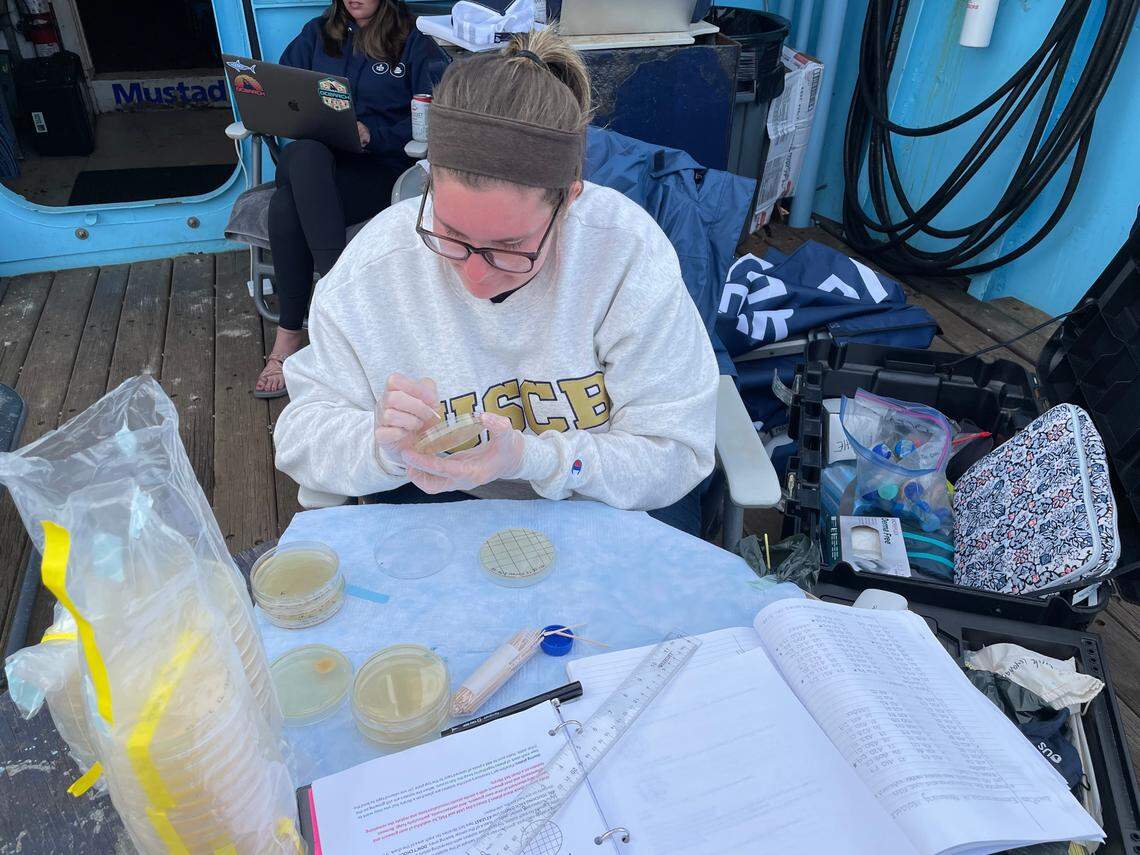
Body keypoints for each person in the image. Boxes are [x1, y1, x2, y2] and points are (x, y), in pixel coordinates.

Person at [274, 29, 718, 535]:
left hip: (600, 499)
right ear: (428, 184)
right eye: (451, 234)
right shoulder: (374, 270)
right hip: (442, 495)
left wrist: (532, 458)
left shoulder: (624, 254)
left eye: (509, 247)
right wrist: (382, 446)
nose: (475, 276)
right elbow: (301, 437)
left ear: (568, 201)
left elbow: (674, 452)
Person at [256, 0, 448, 398]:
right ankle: (341, 304)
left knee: (286, 206)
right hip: (316, 162)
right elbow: (279, 93)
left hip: (376, 168)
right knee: (306, 154)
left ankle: (288, 337)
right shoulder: (317, 34)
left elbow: (433, 117)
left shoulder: (413, 40)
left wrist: (373, 134)